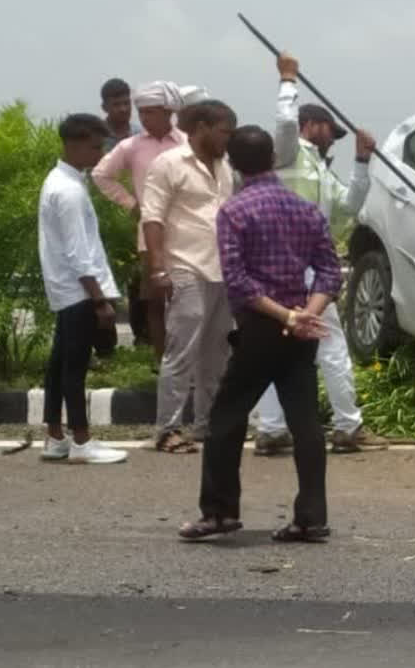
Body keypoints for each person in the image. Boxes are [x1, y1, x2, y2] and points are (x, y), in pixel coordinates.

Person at [178, 125, 339, 542]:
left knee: (226, 418)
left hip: (262, 326)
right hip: (301, 328)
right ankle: (311, 516)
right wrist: (306, 313)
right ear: (272, 159)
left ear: (232, 162)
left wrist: (284, 316)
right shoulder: (306, 210)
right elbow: (329, 271)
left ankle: (218, 511)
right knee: (305, 423)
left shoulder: (235, 211)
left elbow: (238, 281)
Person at [250, 52, 384, 457]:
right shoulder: (286, 153)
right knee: (330, 347)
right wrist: (288, 79)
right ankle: (347, 427)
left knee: (279, 348)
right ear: (311, 125)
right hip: (295, 270)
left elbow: (348, 207)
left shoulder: (320, 169)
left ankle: (273, 431)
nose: (332, 139)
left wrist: (361, 161)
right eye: (329, 131)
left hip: (303, 269)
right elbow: (285, 121)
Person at [141, 100, 236, 454]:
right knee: (181, 352)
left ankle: (206, 425)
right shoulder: (168, 164)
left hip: (221, 270)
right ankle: (167, 429)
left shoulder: (226, 167)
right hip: (184, 268)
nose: (228, 139)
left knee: (217, 354)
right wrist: (157, 269)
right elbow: (152, 218)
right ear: (201, 128)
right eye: (224, 131)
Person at [35, 115, 129, 464]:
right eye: (94, 146)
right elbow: (78, 253)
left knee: (59, 365)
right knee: (74, 368)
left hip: (66, 288)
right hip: (78, 290)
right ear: (73, 144)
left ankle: (54, 437)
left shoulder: (60, 181)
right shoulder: (69, 190)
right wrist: (99, 299)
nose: (99, 153)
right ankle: (81, 441)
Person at [92, 81, 188, 360]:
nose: (145, 118)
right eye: (142, 112)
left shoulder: (186, 142)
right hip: (150, 234)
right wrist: (131, 204)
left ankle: (188, 358)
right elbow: (101, 175)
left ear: (168, 111)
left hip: (188, 232)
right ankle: (161, 360)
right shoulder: (131, 146)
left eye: (151, 112)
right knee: (155, 300)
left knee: (187, 301)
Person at [100, 78, 140, 152]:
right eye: (116, 105)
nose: (123, 109)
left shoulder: (140, 135)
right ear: (104, 107)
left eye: (126, 103)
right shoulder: (97, 138)